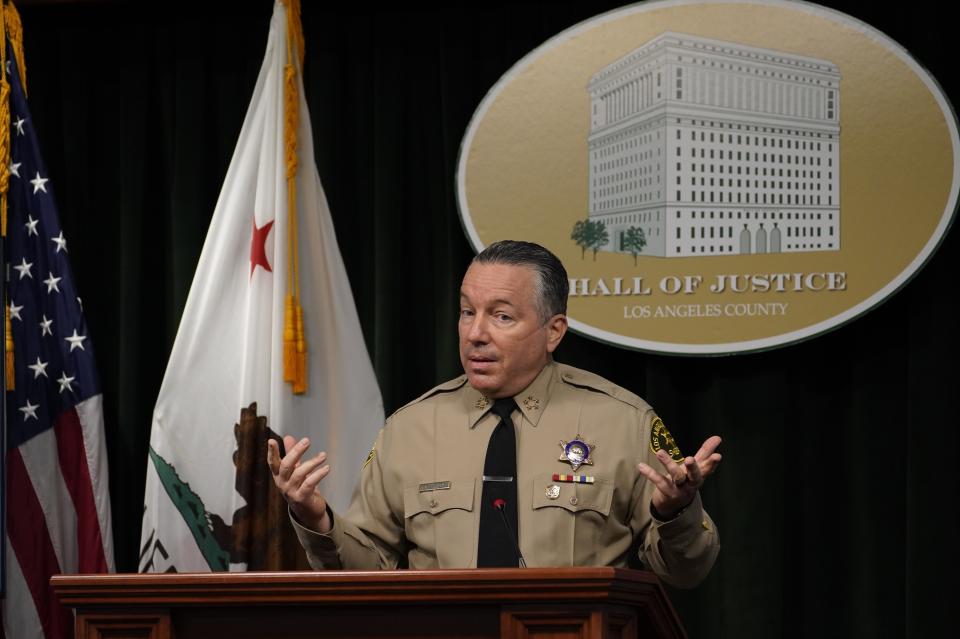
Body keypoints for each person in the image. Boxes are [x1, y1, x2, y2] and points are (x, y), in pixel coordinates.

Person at [268, 240, 721, 587]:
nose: (475, 334)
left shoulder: (623, 421)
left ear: (553, 331)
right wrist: (316, 518)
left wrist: (674, 512)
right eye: (468, 312)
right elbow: (367, 570)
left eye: (501, 316)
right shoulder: (409, 429)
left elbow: (687, 572)